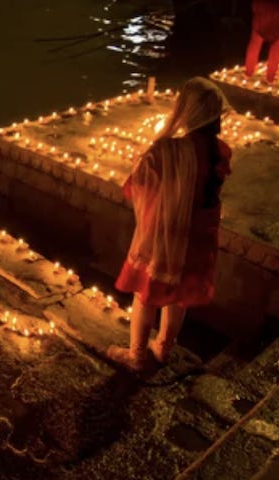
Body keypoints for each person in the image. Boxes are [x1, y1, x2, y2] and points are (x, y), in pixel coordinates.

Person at [107, 77, 233, 372]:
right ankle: (164, 347)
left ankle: (136, 355)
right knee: (179, 295)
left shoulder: (166, 151)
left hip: (166, 236)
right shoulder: (220, 150)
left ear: (185, 111)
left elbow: (134, 187)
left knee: (147, 294)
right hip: (200, 236)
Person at [244, 0, 279, 83]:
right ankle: (271, 77)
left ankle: (248, 72)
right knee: (277, 47)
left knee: (255, 43)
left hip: (263, 13)